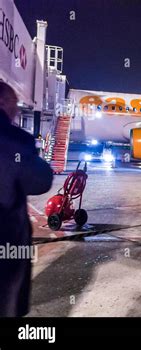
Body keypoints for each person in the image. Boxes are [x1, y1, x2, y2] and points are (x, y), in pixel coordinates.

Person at [0, 82, 53, 316]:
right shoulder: (14, 139)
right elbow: (40, 181)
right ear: (3, 103)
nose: (18, 110)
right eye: (15, 104)